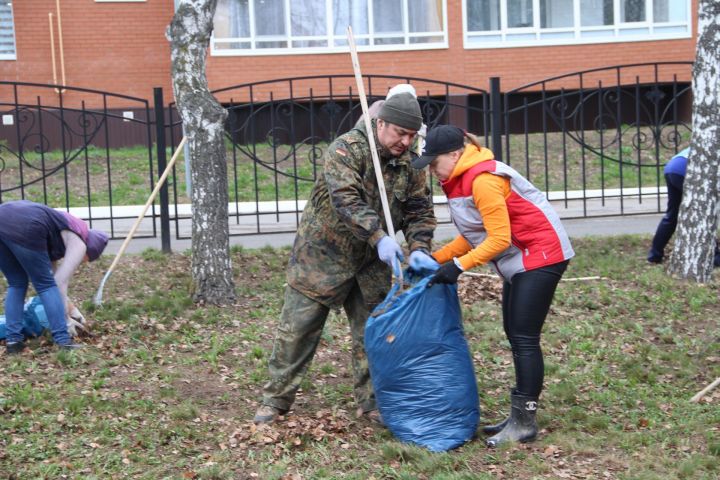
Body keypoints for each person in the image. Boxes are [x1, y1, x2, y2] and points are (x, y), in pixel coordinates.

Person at [253, 92, 437, 424]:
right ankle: (275, 400)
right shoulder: (345, 149)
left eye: (411, 135)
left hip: (370, 263)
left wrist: (421, 248)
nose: (405, 141)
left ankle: (372, 402)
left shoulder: (410, 162)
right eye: (399, 133)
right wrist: (380, 236)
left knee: (375, 331)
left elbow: (419, 210)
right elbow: (346, 200)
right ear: (381, 123)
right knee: (299, 329)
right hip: (322, 255)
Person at [412, 125, 575, 447]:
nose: (431, 170)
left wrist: (457, 267)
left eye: (434, 163)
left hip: (541, 255)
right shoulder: (459, 180)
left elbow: (498, 239)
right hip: (521, 257)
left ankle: (524, 421)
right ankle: (518, 415)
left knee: (524, 336)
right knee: (515, 333)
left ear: (454, 155)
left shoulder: (483, 179)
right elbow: (476, 233)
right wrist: (436, 258)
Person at [0, 200, 109, 354]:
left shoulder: (61, 235)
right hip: (28, 224)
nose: (83, 261)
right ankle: (63, 340)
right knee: (45, 285)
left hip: (3, 215)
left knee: (17, 283)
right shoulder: (80, 243)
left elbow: (54, 276)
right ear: (89, 250)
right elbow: (57, 284)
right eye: (86, 259)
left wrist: (73, 311)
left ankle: (13, 342)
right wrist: (66, 321)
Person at [648, 148, 720, 266]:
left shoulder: (710, 136)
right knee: (704, 213)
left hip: (672, 167)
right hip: (686, 170)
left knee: (672, 215)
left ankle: (654, 255)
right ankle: (714, 256)